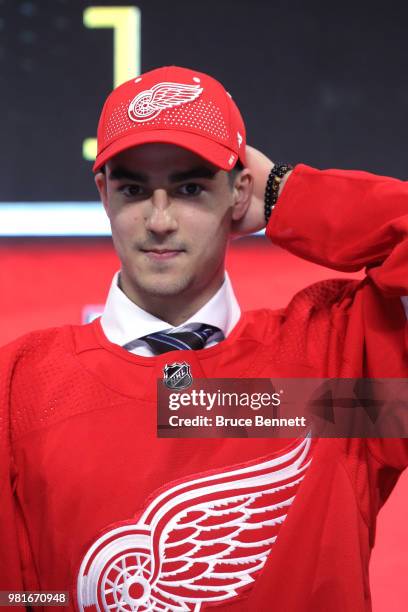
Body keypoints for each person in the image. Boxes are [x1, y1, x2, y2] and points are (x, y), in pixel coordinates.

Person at [0, 65, 407, 612]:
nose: (160, 220)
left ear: (240, 191)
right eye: (134, 189)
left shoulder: (332, 359)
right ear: (103, 194)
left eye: (190, 187)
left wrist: (290, 196)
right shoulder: (20, 384)